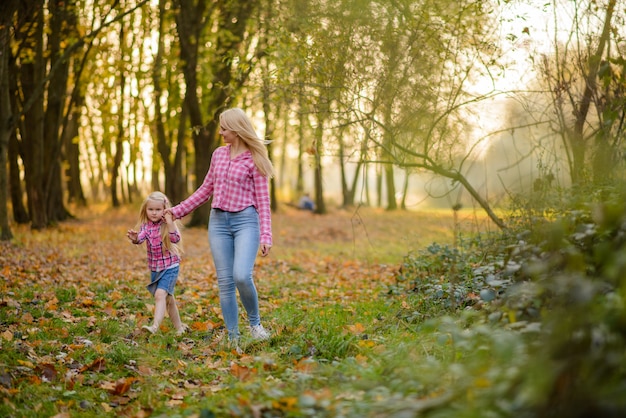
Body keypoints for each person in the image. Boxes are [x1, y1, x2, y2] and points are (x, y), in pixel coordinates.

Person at [166, 107, 274, 347]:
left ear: (236, 130)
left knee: (241, 276)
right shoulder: (218, 155)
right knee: (225, 282)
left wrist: (266, 234)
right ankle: (233, 337)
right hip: (218, 223)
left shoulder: (255, 160)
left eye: (224, 128)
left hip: (246, 221)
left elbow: (264, 202)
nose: (221, 132)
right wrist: (176, 211)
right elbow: (205, 190)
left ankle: (255, 325)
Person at [127, 191, 189, 336]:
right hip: (156, 268)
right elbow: (141, 238)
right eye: (151, 209)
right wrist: (135, 238)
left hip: (170, 266)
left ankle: (154, 327)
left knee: (160, 295)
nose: (154, 213)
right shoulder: (145, 226)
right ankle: (179, 328)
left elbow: (175, 239)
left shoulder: (167, 224)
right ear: (145, 210)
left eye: (157, 209)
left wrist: (170, 222)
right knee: (169, 299)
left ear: (164, 209)